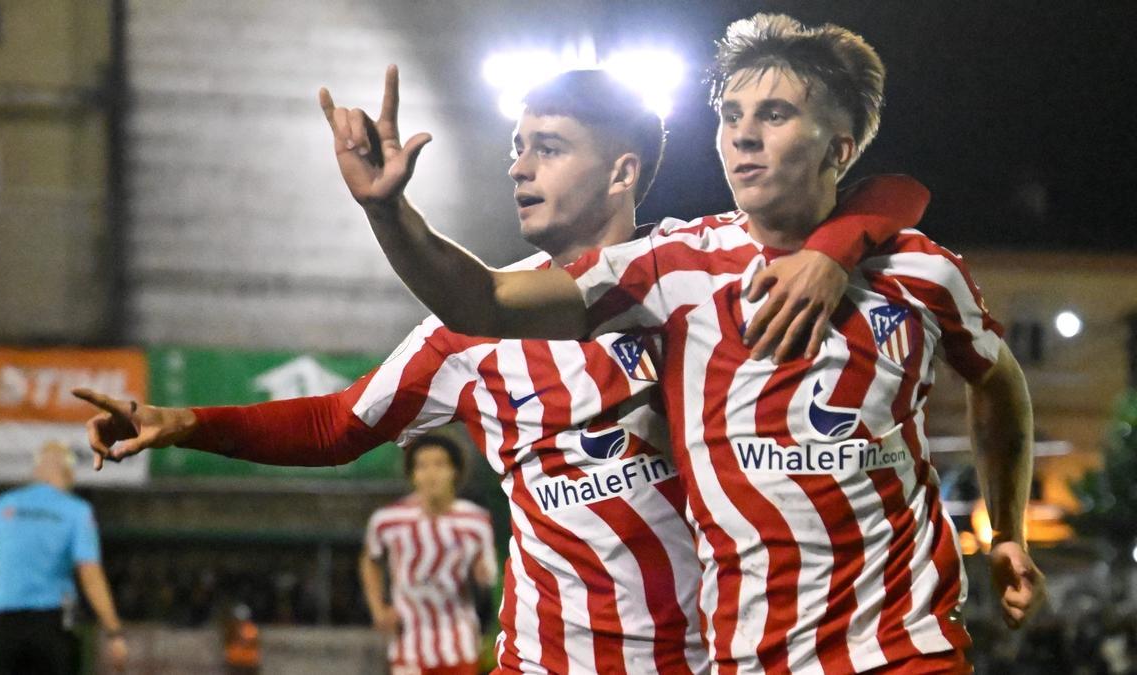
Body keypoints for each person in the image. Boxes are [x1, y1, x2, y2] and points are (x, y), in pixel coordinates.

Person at [74, 70, 925, 673]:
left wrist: (835, 248)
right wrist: (186, 422)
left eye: (547, 147)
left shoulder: (700, 277)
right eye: (516, 147)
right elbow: (340, 424)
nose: (518, 165)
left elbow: (893, 190)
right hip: (537, 660)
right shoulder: (466, 334)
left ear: (623, 170)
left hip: (702, 658)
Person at [319, 14, 1046, 674]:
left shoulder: (921, 272)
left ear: (840, 146)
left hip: (905, 648)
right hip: (743, 657)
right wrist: (388, 211)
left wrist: (1007, 529)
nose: (742, 135)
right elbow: (483, 300)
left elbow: (1000, 382)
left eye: (775, 114)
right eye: (730, 116)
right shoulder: (673, 267)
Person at [0, 441, 128, 674]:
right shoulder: (77, 511)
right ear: (69, 473)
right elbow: (90, 573)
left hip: (7, 625)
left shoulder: (3, 505)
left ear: (36, 471)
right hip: (55, 623)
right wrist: (113, 631)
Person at [360, 434, 496, 675]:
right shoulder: (389, 520)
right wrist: (378, 608)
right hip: (408, 643)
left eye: (440, 464)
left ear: (455, 471)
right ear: (412, 474)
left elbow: (487, 577)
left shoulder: (476, 522)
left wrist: (483, 578)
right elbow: (370, 559)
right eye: (422, 466)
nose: (431, 474)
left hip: (459, 644)